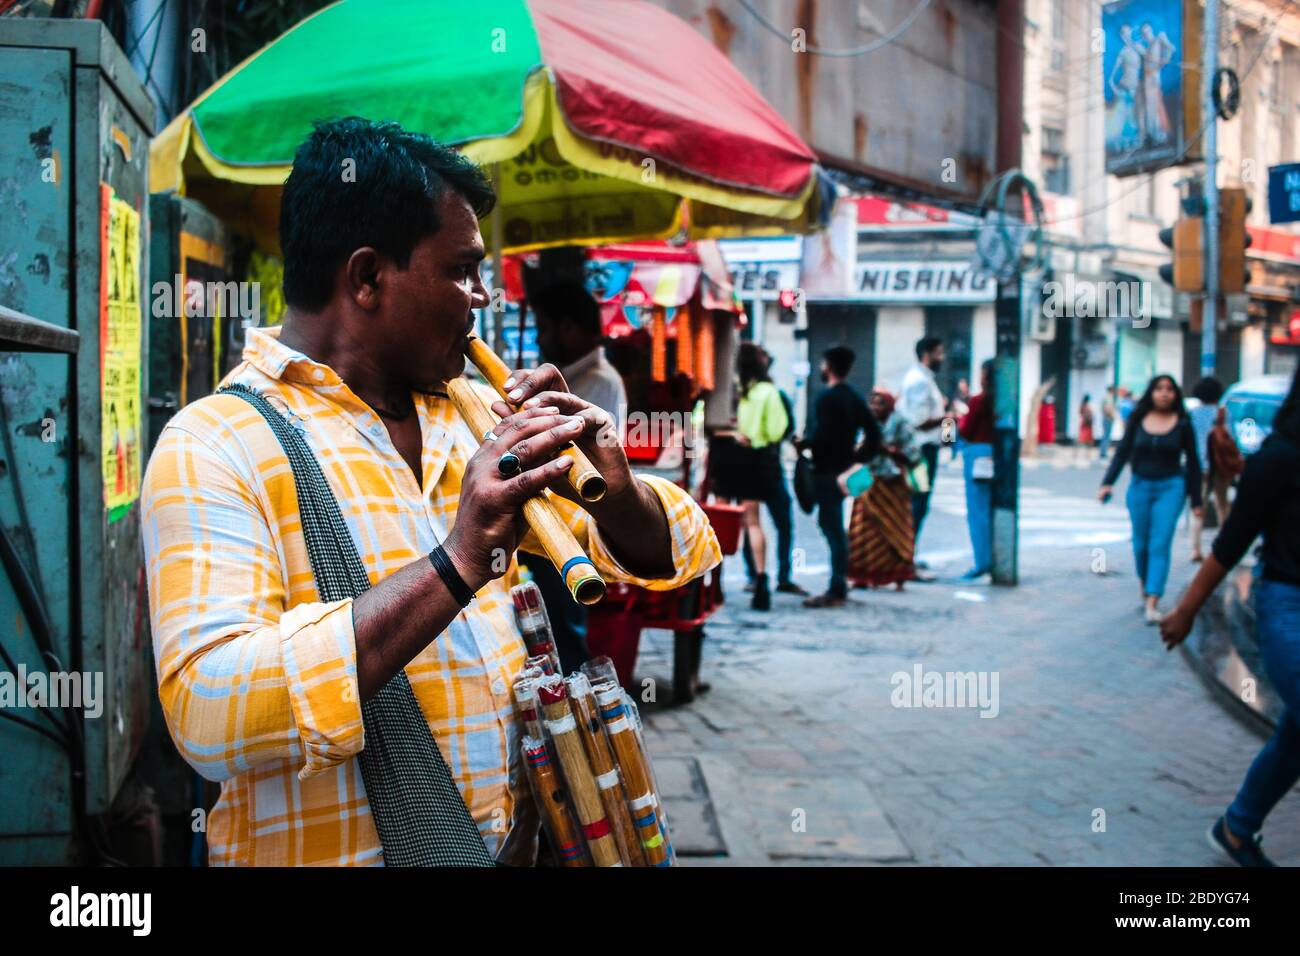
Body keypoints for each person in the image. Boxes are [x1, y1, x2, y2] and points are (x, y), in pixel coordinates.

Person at [139, 118, 721, 866]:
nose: (481, 298)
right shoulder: (214, 442)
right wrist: (457, 561)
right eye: (462, 271)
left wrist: (613, 493)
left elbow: (678, 552)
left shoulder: (473, 411)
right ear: (367, 278)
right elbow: (209, 712)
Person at [1160, 367, 1300, 867]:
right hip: (1287, 604)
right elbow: (1230, 543)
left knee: (1295, 733)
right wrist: (1186, 611)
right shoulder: (1280, 458)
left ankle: (1237, 828)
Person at [520, 280, 629, 673]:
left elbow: (571, 453)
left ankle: (576, 694)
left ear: (568, 328)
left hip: (568, 526)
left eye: (544, 327)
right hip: (549, 522)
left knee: (565, 629)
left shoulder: (596, 380)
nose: (539, 338)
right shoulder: (572, 375)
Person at [1098, 374, 1203, 624]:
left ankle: (1153, 600)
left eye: (1169, 389)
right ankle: (1146, 588)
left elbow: (1194, 462)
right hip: (1140, 487)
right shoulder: (1137, 419)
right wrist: (1107, 483)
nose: (1164, 393)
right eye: (1159, 389)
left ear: (1176, 394)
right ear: (1151, 393)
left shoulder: (1183, 423)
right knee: (1140, 545)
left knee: (1159, 543)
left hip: (1171, 487)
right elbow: (1122, 452)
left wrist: (1197, 500)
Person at [797, 345, 880, 608]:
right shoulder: (854, 397)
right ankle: (838, 583)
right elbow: (875, 433)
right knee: (833, 526)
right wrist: (858, 459)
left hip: (826, 472)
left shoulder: (826, 398)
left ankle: (837, 587)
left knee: (831, 527)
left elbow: (822, 436)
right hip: (845, 471)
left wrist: (805, 445)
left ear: (828, 367)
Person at [712, 342, 788, 611]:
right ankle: (761, 580)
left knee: (720, 519)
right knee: (752, 521)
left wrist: (729, 434)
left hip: (723, 456)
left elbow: (702, 422)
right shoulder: (768, 392)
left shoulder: (724, 390)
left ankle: (716, 583)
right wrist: (756, 437)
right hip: (753, 460)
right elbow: (778, 430)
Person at [740, 348, 807, 598]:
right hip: (768, 463)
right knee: (783, 522)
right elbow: (781, 429)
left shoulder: (738, 394)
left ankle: (753, 574)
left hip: (743, 464)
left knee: (750, 522)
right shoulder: (772, 393)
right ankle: (783, 575)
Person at [847, 388, 919, 590]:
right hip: (866, 479)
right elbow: (857, 451)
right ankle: (862, 575)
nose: (875, 407)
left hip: (892, 481)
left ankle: (897, 576)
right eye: (873, 402)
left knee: (895, 528)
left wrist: (889, 451)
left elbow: (913, 454)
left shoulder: (900, 423)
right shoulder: (866, 424)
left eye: (880, 403)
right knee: (862, 528)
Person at [897, 336, 948, 580]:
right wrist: (948, 418)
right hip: (921, 451)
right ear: (927, 354)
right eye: (939, 353)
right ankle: (905, 559)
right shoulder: (919, 381)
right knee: (917, 504)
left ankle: (908, 555)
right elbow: (918, 421)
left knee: (919, 504)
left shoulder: (925, 380)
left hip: (927, 449)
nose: (942, 358)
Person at [958, 360, 996, 582]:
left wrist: (949, 424)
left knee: (977, 512)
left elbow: (964, 432)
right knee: (989, 511)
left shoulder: (979, 400)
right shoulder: (1005, 402)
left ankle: (982, 563)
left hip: (977, 455)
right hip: (997, 455)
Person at [1187, 376, 1224, 563]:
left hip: (1198, 465)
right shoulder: (1222, 413)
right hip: (1219, 465)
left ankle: (1195, 549)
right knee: (1222, 505)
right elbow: (1230, 438)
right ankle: (1222, 548)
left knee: (1198, 506)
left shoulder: (1192, 414)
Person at [1099, 386, 1118, 461]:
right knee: (1106, 436)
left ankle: (1103, 452)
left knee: (1106, 435)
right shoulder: (1108, 398)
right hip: (1108, 418)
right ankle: (1104, 453)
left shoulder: (1106, 397)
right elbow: (1108, 408)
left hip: (1106, 418)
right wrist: (1112, 416)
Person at [1077, 393, 1095, 461]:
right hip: (1088, 424)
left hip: (1083, 423)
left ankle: (1077, 453)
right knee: (1088, 440)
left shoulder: (1082, 405)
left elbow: (1079, 413)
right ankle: (1088, 454)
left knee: (1081, 439)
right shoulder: (1088, 406)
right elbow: (1091, 413)